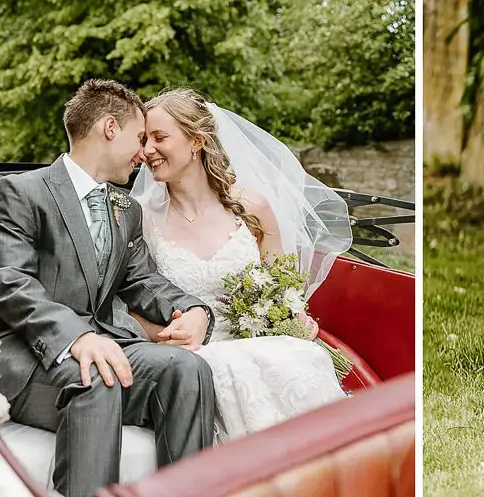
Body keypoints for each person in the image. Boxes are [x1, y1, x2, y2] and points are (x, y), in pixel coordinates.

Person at [0, 79, 217, 497]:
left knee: (188, 369)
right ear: (109, 128)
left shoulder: (127, 209)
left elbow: (142, 280)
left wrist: (194, 310)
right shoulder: (19, 193)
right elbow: (10, 283)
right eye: (139, 137)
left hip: (107, 347)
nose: (144, 153)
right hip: (26, 359)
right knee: (96, 375)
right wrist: (79, 336)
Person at [128, 88, 352, 441]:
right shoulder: (139, 216)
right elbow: (127, 299)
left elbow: (285, 286)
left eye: (159, 138)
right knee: (231, 368)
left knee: (304, 359)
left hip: (261, 342)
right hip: (192, 356)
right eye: (144, 140)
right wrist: (166, 336)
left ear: (195, 141)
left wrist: (295, 320)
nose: (147, 151)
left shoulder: (253, 206)